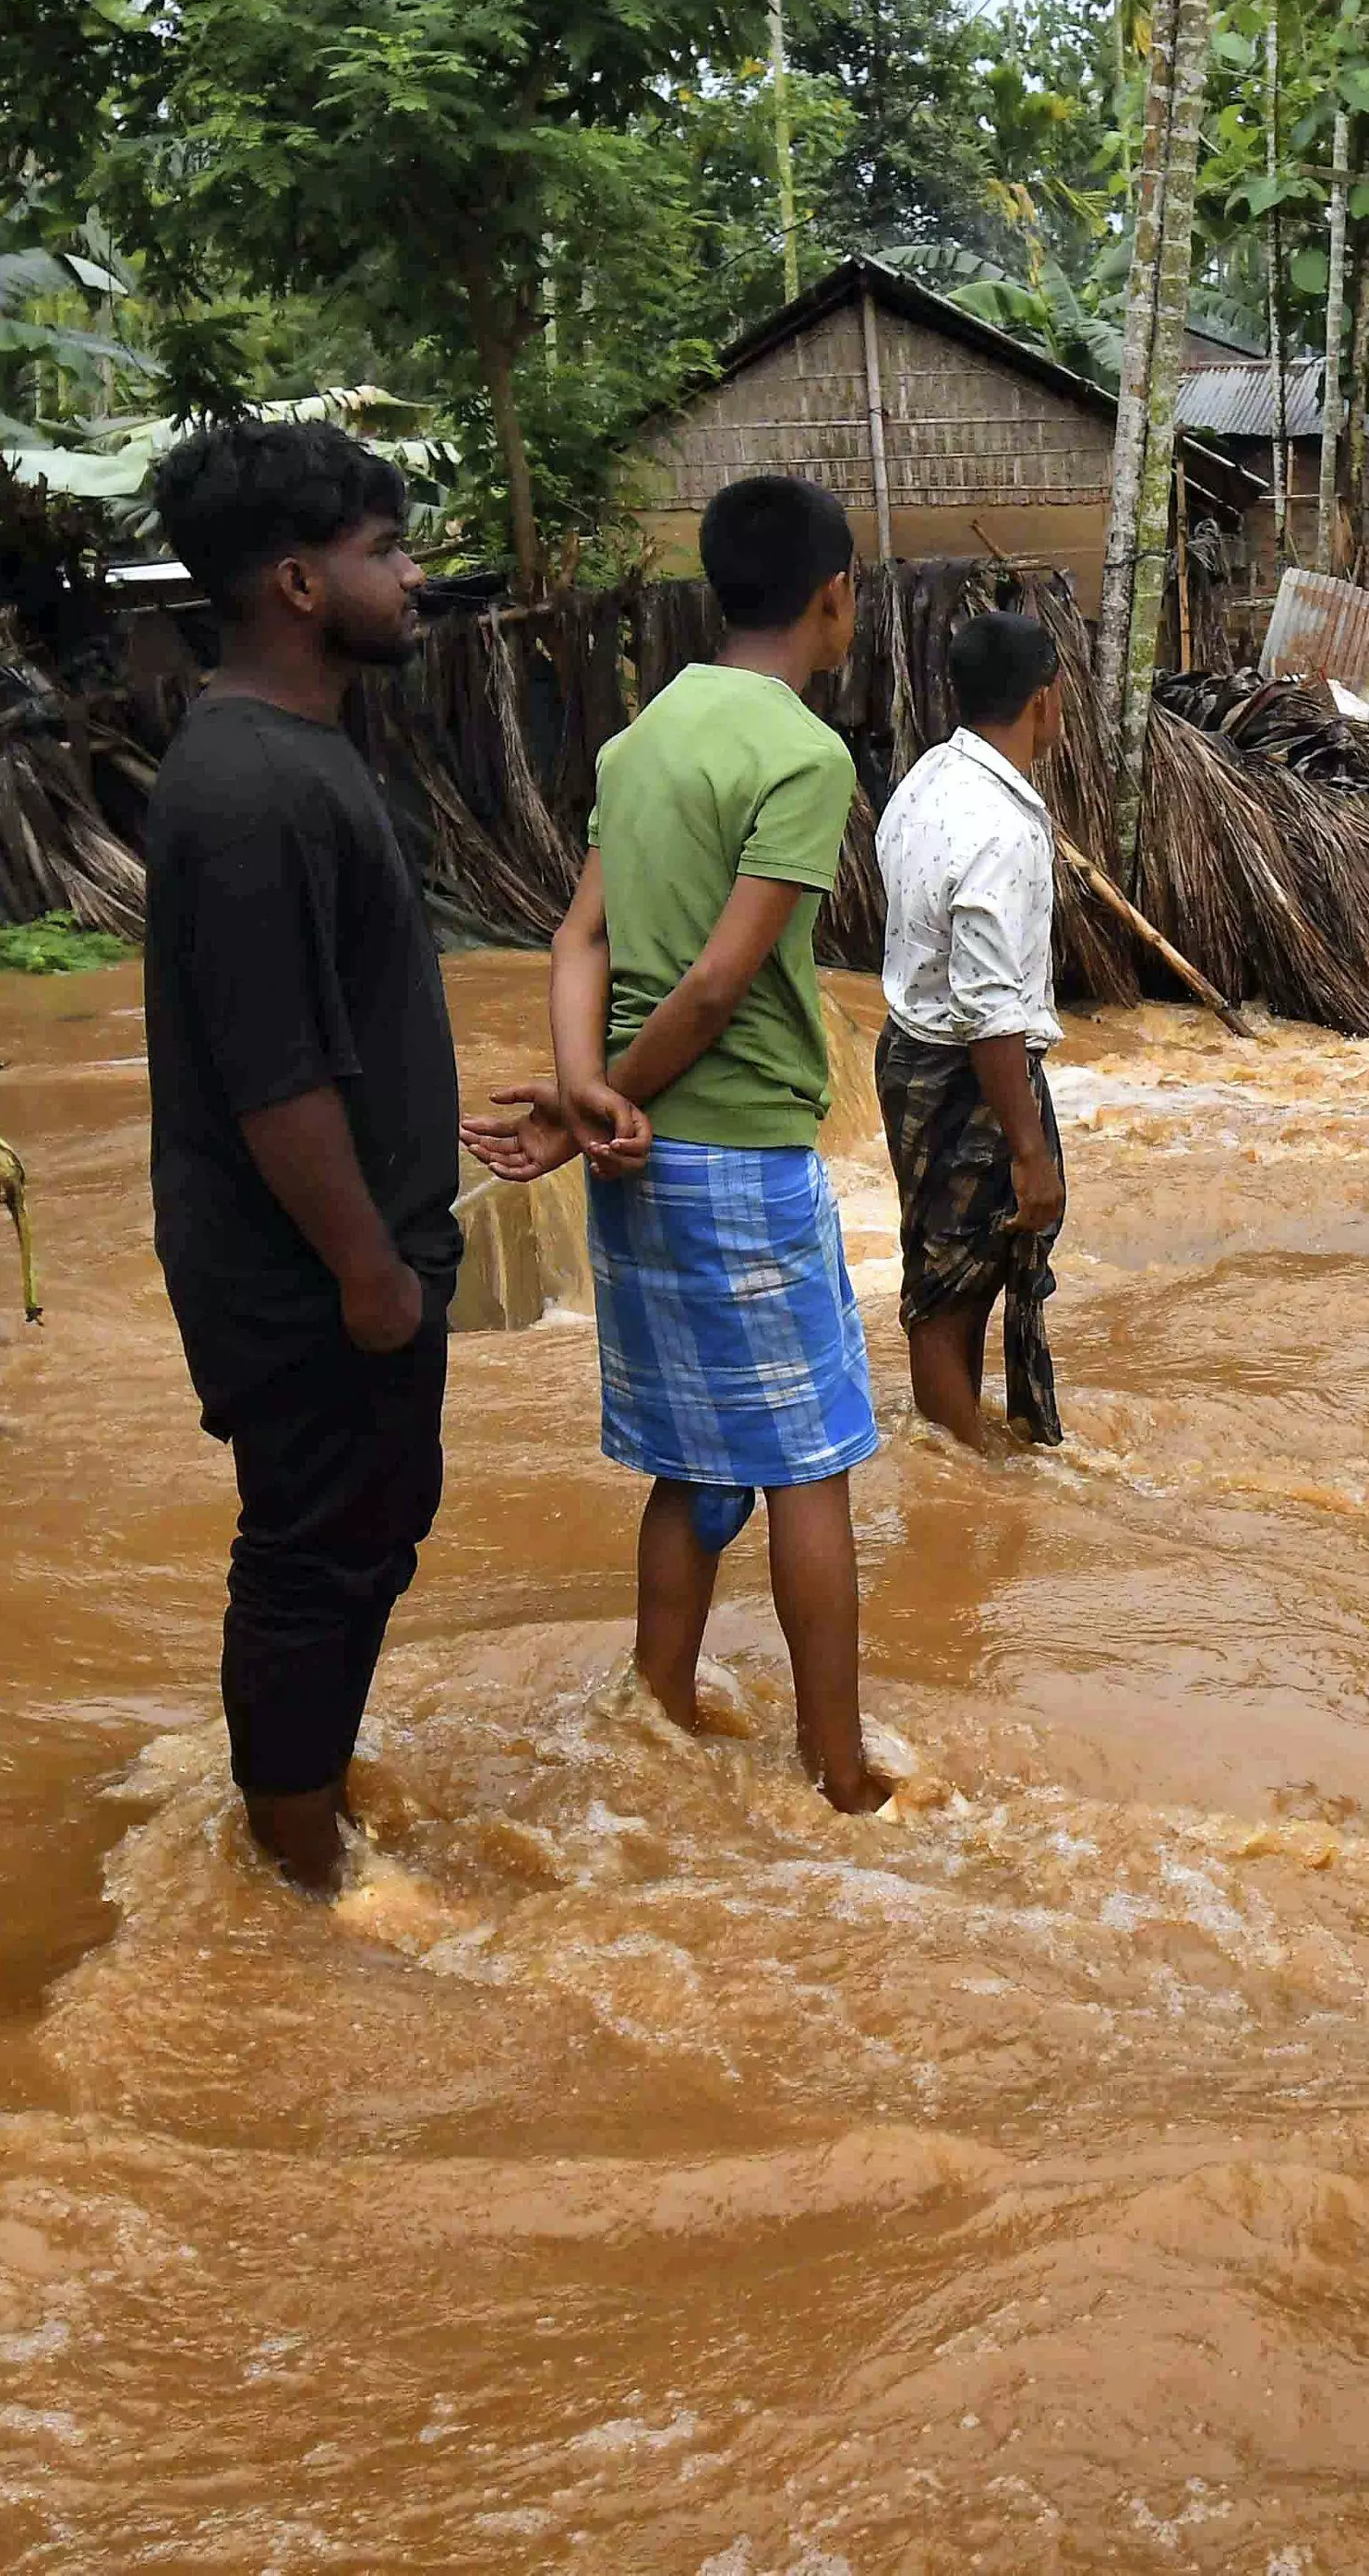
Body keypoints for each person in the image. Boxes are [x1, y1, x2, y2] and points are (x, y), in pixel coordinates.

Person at [519, 472, 889, 1812]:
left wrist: (584, 1100)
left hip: (639, 1166)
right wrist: (590, 1112)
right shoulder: (802, 752)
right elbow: (719, 987)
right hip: (738, 1156)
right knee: (811, 1462)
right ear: (832, 598)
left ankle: (661, 1716)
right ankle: (839, 1771)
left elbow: (580, 941)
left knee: (692, 1460)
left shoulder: (641, 741)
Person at [138, 417, 463, 1897]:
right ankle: (292, 1875)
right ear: (296, 583)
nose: (411, 578)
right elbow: (274, 1085)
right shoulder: (253, 790)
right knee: (314, 1552)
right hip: (310, 1277)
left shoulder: (286, 757)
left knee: (358, 1534)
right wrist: (369, 1271)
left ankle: (303, 1809)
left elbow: (331, 1029)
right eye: (384, 551)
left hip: (340, 1253)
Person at [871, 606, 1072, 1453]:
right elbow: (992, 1011)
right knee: (957, 1290)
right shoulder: (999, 828)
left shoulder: (927, 778)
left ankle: (955, 1453)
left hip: (912, 1051)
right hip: (970, 1072)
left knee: (943, 1274)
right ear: (1043, 701)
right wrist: (1031, 1154)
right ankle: (968, 1471)